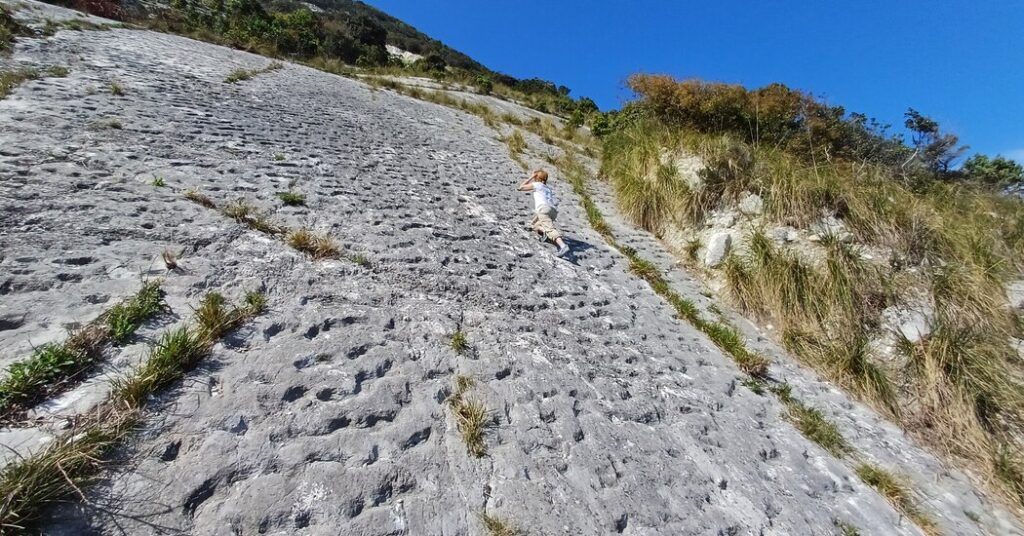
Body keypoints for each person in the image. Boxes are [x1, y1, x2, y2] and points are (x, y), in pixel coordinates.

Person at [518, 169, 570, 257]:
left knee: (550, 228)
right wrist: (533, 221)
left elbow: (520, 187)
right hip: (552, 210)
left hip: (544, 209)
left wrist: (531, 177)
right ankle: (544, 233)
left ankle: (563, 246)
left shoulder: (537, 184)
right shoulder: (548, 188)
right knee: (535, 225)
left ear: (537, 177)